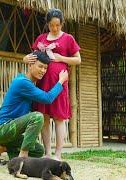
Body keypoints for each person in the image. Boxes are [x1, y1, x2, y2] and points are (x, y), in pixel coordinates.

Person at [0, 51, 68, 165]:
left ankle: (1, 148)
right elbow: (47, 98)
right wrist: (61, 81)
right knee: (38, 117)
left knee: (38, 150)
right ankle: (22, 157)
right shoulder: (22, 82)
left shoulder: (29, 84)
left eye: (45, 68)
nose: (43, 71)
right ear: (30, 65)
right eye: (40, 66)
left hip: (12, 133)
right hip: (2, 129)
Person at [23, 8, 81, 161]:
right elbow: (32, 56)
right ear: (47, 24)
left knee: (59, 117)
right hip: (42, 84)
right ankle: (47, 153)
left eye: (57, 25)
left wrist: (61, 58)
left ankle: (58, 154)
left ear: (62, 23)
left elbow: (78, 60)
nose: (55, 28)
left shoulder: (68, 38)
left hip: (59, 83)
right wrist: (25, 59)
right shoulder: (41, 38)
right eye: (51, 25)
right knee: (44, 117)